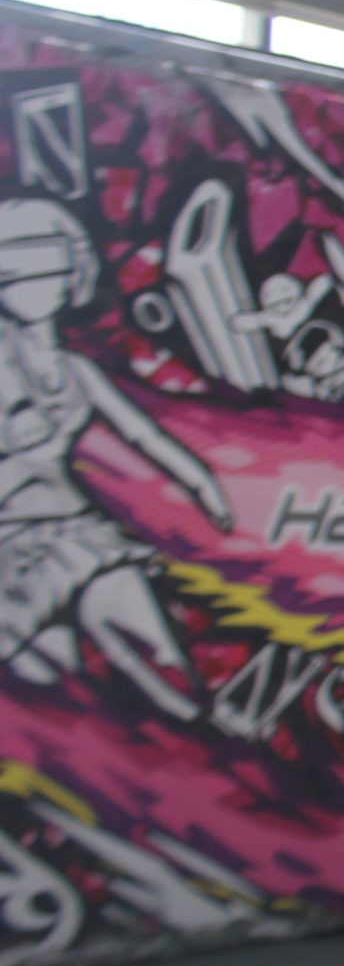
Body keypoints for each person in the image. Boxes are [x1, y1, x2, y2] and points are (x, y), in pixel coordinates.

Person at [0, 199, 233, 721]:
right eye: (21, 270)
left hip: (76, 532)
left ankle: (212, 750)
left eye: (51, 268)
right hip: (11, 557)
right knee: (58, 709)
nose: (40, 285)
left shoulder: (75, 370)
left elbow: (145, 435)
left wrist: (203, 485)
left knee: (166, 670)